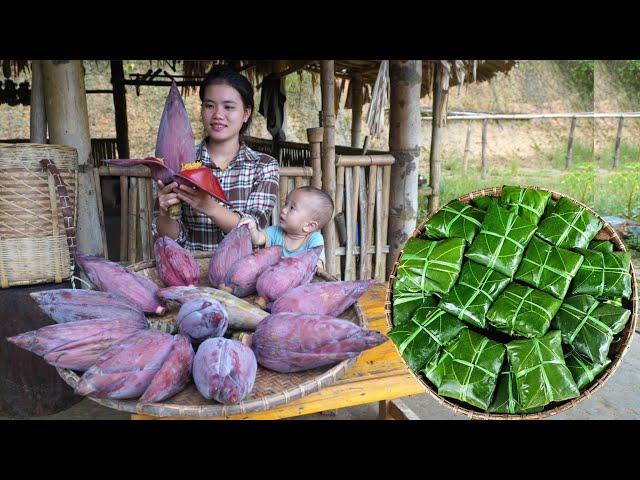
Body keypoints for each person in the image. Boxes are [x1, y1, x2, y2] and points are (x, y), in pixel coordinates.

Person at [153, 68, 279, 251]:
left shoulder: (264, 166)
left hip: (243, 275)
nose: (218, 115)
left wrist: (209, 207)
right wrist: (165, 214)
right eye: (210, 105)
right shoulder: (180, 162)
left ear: (246, 113)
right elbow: (171, 239)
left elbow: (252, 232)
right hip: (190, 274)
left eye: (228, 107)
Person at [238, 186, 334, 269]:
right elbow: (258, 239)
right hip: (271, 282)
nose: (283, 210)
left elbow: (318, 265)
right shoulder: (275, 232)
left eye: (292, 208)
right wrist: (252, 228)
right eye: (285, 204)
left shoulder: (314, 239)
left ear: (309, 226)